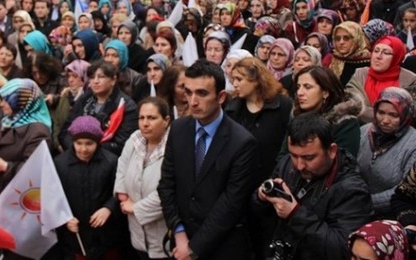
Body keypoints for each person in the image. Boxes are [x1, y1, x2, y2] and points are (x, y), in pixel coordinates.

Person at [157, 59, 260, 259]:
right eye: (188, 92)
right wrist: (178, 231)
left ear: (221, 97)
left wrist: (193, 249)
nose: (193, 101)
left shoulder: (242, 143)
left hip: (222, 248)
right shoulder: (178, 129)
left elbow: (231, 205)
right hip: (181, 241)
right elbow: (166, 184)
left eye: (202, 93)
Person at [251, 113, 373, 260]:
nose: (299, 165)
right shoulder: (287, 164)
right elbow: (259, 213)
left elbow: (342, 249)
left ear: (332, 151)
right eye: (294, 155)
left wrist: (294, 214)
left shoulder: (352, 190)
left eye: (309, 158)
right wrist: (261, 197)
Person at [55, 116, 126, 259]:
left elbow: (120, 191)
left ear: (98, 142)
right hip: (75, 237)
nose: (83, 149)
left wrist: (108, 208)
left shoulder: (111, 161)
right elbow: (54, 197)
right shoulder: (60, 164)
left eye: (89, 143)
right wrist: (64, 219)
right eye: (78, 143)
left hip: (106, 236)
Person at [0, 78, 51, 193]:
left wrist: (5, 167)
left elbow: (36, 169)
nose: (1, 104)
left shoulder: (38, 131)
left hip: (19, 195)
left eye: (6, 100)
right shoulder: (10, 121)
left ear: (22, 101)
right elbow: (6, 149)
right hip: (1, 188)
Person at [115, 97, 171, 260]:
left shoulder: (175, 147)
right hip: (137, 234)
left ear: (166, 120)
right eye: (141, 118)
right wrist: (122, 194)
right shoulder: (134, 139)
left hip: (165, 236)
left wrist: (136, 208)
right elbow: (122, 167)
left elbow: (169, 192)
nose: (145, 123)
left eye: (152, 118)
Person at [225, 57, 293, 184]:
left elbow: (288, 146)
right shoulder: (232, 109)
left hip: (273, 178)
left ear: (256, 80)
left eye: (239, 79)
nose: (234, 84)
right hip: (241, 181)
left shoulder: (282, 105)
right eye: (233, 79)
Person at [358, 88, 416, 218]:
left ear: (406, 115)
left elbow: (405, 191)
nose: (385, 120)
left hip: (392, 215)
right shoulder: (364, 132)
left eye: (393, 115)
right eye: (381, 112)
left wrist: (366, 203)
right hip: (353, 207)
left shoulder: (413, 144)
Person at [60, 61, 138, 155]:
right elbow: (66, 130)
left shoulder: (126, 106)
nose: (95, 81)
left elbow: (121, 144)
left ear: (113, 80)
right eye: (92, 77)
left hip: (107, 158)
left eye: (101, 77)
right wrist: (76, 148)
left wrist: (89, 149)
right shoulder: (84, 99)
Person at [292, 66, 362, 158]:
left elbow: (343, 161)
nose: (299, 93)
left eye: (307, 87)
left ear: (325, 92)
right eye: (298, 87)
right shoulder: (297, 117)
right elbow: (283, 157)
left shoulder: (345, 123)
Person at [346, 36, 416, 124]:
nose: (378, 56)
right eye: (376, 51)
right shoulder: (360, 74)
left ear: (397, 57)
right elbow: (351, 105)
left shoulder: (410, 79)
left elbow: (408, 113)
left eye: (386, 53)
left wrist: (367, 114)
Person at [324, 21, 371, 86]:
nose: (341, 42)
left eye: (346, 38)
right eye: (337, 38)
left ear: (357, 38)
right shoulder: (332, 59)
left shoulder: (368, 63)